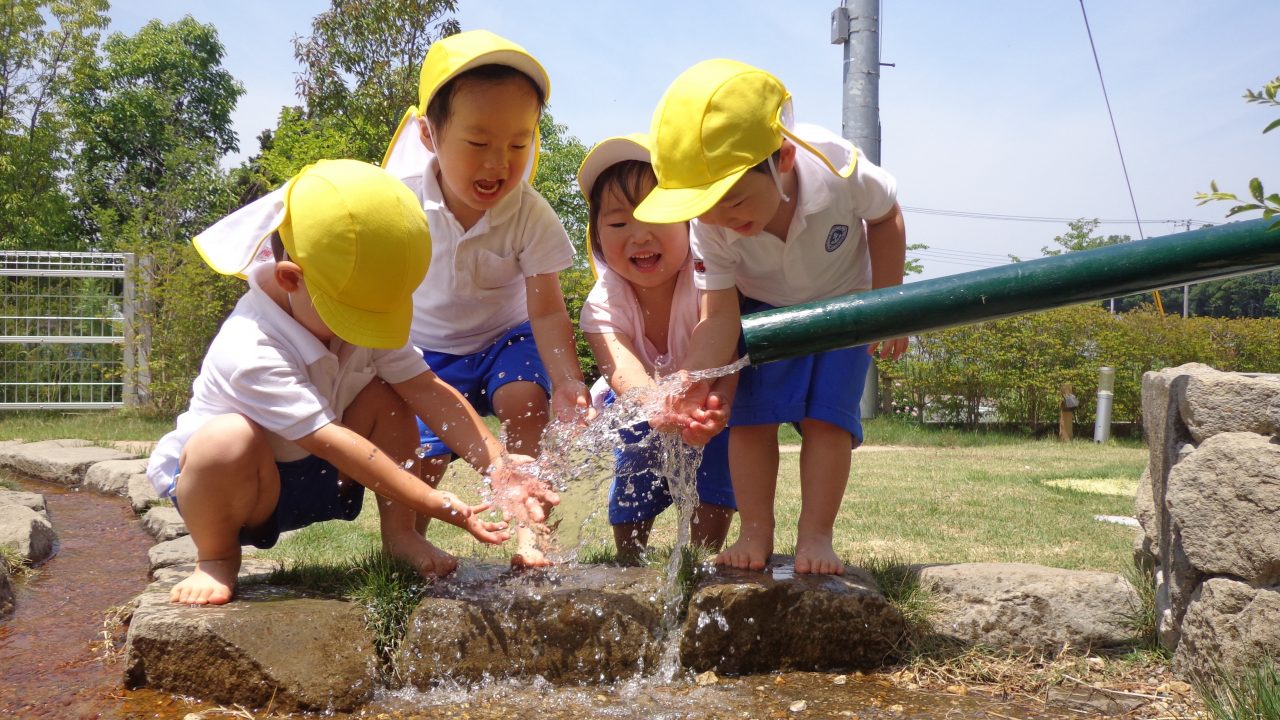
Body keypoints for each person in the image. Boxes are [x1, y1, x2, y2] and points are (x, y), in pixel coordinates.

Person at [146, 159, 557, 606]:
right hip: (244, 492)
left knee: (390, 393)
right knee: (225, 440)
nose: (367, 329)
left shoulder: (352, 308)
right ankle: (216, 558)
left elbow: (427, 389)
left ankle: (400, 536)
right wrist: (435, 502)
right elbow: (331, 441)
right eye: (356, 316)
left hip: (322, 481)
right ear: (290, 279)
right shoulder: (251, 347)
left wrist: (501, 470)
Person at [634, 59, 909, 575]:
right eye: (705, 209)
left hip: (845, 302)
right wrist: (693, 381)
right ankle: (755, 530)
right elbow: (718, 317)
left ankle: (817, 535)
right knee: (749, 420)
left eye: (733, 200)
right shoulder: (711, 225)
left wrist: (886, 308)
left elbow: (886, 216)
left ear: (782, 158)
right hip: (761, 309)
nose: (722, 220)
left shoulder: (836, 167)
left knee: (828, 420)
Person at [382, 30, 590, 567]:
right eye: (478, 143)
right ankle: (406, 539)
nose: (499, 163)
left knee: (525, 402)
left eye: (519, 144)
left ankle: (533, 532)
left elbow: (546, 308)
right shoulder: (398, 203)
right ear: (430, 135)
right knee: (421, 457)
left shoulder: (529, 213)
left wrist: (567, 380)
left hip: (505, 339)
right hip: (425, 351)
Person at [576, 135, 737, 564]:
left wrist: (706, 396)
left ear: (689, 221)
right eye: (617, 224)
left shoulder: (707, 272)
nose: (639, 235)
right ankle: (629, 555)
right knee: (634, 452)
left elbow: (723, 332)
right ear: (596, 237)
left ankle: (700, 561)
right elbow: (620, 369)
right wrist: (655, 405)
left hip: (706, 386)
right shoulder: (603, 304)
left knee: (715, 451)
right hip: (640, 398)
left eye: (656, 215)